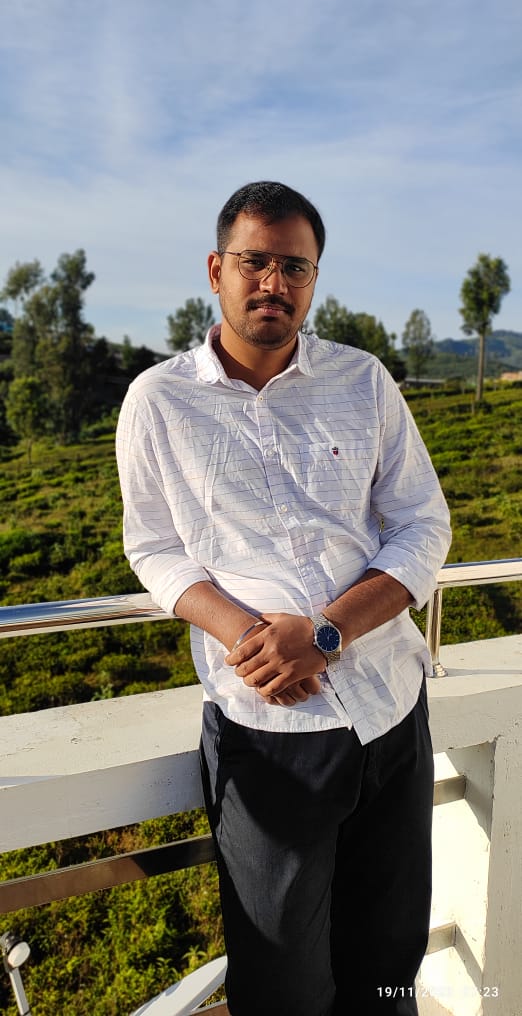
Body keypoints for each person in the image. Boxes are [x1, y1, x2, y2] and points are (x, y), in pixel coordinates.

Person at [116, 180, 451, 1016]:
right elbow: (152, 545)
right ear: (216, 270)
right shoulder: (158, 400)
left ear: (314, 279)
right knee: (282, 984)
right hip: (269, 736)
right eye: (254, 262)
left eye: (295, 267)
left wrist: (326, 633)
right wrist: (244, 633)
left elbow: (423, 523)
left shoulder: (362, 380)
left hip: (390, 710)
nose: (274, 283)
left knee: (388, 963)